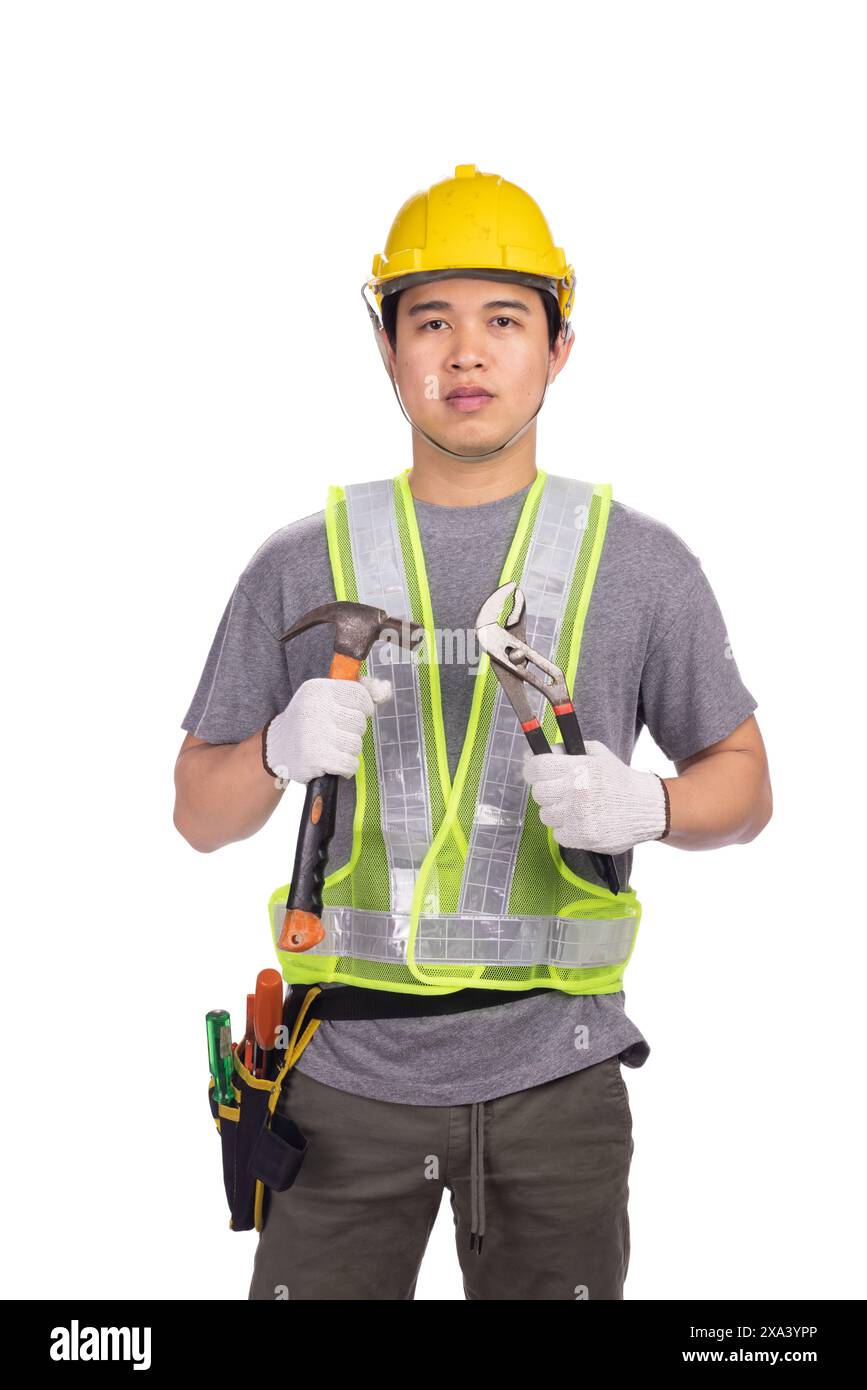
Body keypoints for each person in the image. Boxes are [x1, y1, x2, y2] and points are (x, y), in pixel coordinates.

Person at [174, 163, 772, 1300]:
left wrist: (650, 802)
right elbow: (197, 815)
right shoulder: (298, 562)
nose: (465, 353)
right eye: (429, 320)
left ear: (559, 346)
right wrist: (270, 752)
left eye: (504, 319)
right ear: (388, 347)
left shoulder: (641, 563)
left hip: (559, 1077)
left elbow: (744, 784)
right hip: (336, 1080)